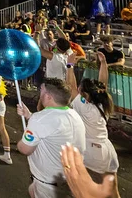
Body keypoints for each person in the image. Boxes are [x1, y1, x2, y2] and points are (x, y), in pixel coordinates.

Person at [17, 78, 87, 198]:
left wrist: (22, 141)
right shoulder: (74, 115)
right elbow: (52, 126)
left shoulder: (41, 119)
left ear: (48, 97)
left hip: (49, 184)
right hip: (73, 179)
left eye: (41, 90)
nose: (40, 93)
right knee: (32, 190)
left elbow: (25, 149)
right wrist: (29, 116)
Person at [65, 52, 121, 197]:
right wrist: (103, 64)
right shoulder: (103, 103)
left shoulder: (85, 107)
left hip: (92, 152)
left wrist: (69, 66)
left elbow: (70, 86)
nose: (78, 90)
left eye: (80, 89)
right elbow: (103, 84)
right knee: (113, 190)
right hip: (107, 150)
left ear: (86, 95)